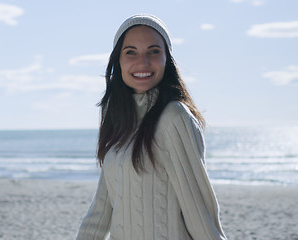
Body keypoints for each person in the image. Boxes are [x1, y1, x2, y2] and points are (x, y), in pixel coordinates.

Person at [76, 14, 227, 240]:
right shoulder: (120, 121)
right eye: (131, 52)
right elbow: (101, 210)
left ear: (167, 59)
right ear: (118, 60)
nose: (143, 62)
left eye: (153, 51)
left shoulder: (174, 118)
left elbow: (198, 212)